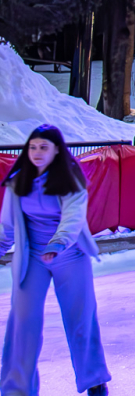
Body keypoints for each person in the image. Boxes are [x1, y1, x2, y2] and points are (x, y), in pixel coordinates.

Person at [0, 125, 111, 396]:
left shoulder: (71, 180)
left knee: (81, 320)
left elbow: (73, 219)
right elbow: (6, 224)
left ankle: (94, 381)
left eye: (44, 147)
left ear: (57, 150)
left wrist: (58, 243)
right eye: (33, 147)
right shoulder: (18, 182)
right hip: (32, 260)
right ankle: (16, 388)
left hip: (69, 255)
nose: (37, 153)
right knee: (22, 321)